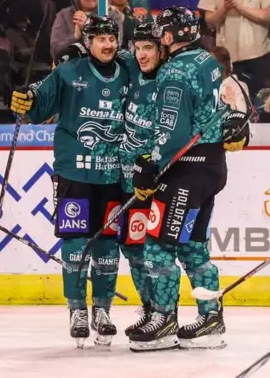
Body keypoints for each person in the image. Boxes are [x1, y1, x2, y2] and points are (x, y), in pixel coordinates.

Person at [128, 6, 249, 352]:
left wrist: (148, 165)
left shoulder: (174, 73)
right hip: (211, 167)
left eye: (159, 34)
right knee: (194, 247)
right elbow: (220, 111)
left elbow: (171, 131)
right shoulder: (208, 62)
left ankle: (164, 319)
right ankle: (211, 318)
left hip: (185, 172)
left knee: (159, 245)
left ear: (167, 37)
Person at [10, 15, 127, 348]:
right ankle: (77, 310)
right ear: (87, 42)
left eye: (112, 38)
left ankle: (102, 310)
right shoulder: (67, 72)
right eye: (100, 39)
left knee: (106, 247)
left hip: (113, 174)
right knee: (75, 245)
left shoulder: (128, 73)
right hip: (74, 173)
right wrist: (25, 98)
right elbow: (35, 105)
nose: (107, 44)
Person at [117, 23, 163, 336]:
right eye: (139, 47)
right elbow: (102, 53)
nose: (142, 54)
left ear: (162, 50)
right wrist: (77, 47)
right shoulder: (131, 67)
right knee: (132, 249)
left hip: (155, 185)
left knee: (156, 252)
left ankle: (163, 313)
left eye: (149, 47)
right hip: (126, 182)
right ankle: (148, 308)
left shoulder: (171, 81)